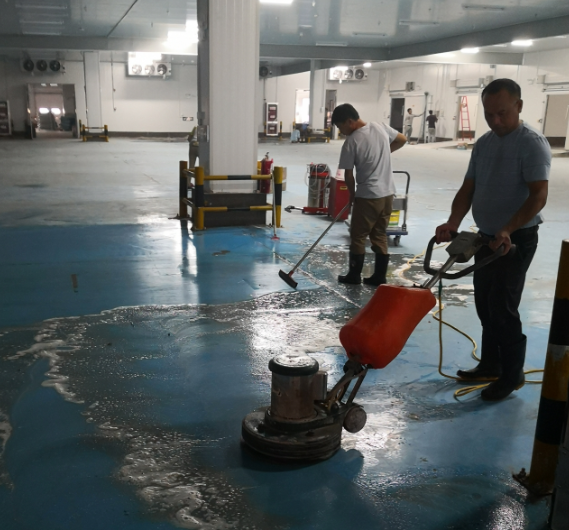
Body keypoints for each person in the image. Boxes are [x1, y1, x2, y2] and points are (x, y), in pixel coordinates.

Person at [435, 78, 550, 401]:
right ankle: (490, 364)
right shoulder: (484, 144)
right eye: (489, 115)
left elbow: (538, 195)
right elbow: (468, 187)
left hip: (516, 240)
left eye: (502, 113)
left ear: (519, 106)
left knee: (502, 307)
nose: (495, 121)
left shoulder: (531, 144)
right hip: (486, 238)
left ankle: (512, 375)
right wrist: (453, 222)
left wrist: (508, 228)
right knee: (485, 303)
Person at [332, 103, 407, 286]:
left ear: (349, 122)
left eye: (340, 127)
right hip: (388, 193)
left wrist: (352, 196)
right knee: (379, 234)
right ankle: (379, 276)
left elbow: (348, 175)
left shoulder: (352, 142)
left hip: (368, 195)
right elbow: (402, 139)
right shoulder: (380, 127)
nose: (341, 132)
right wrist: (383, 152)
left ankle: (354, 275)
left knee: (358, 236)